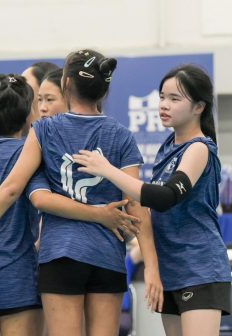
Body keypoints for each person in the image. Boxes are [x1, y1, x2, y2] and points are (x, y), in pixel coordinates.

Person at [0, 49, 162, 336]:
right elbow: (136, 206)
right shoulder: (121, 134)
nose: (44, 106)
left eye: (48, 99)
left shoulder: (39, 133)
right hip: (98, 255)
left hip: (56, 255)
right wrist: (151, 265)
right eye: (40, 100)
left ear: (66, 84)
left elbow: (17, 191)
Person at [72, 64, 231, 336]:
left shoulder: (199, 148)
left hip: (200, 268)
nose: (164, 105)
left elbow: (165, 197)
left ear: (199, 107)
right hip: (171, 269)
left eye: (175, 98)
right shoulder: (167, 148)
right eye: (162, 97)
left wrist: (107, 169)